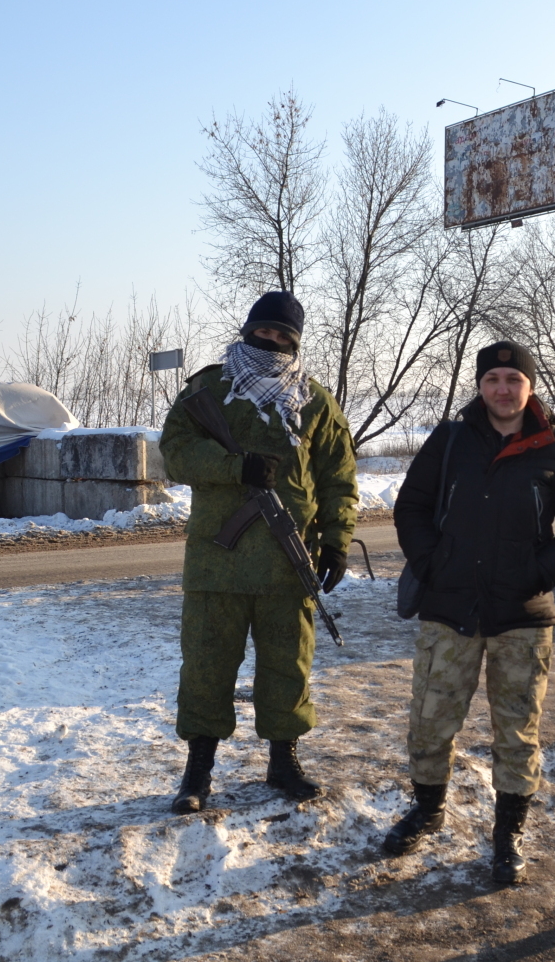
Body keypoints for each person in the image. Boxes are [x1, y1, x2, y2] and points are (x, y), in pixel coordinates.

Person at [382, 340, 555, 883]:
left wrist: (538, 573)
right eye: (493, 379)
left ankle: (509, 834)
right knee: (430, 722)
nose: (503, 389)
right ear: (480, 387)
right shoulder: (451, 440)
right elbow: (410, 505)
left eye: (513, 379)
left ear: (530, 387)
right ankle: (428, 810)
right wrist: (433, 565)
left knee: (517, 731)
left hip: (522, 618)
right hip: (448, 609)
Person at [158, 290, 357, 813]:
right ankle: (197, 772)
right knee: (205, 667)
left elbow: (338, 478)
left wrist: (336, 541)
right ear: (248, 330)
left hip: (289, 565)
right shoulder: (209, 389)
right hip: (216, 563)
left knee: (287, 666)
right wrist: (234, 467)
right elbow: (175, 453)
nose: (270, 340)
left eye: (282, 335)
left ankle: (283, 762)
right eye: (263, 331)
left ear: (295, 342)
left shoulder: (314, 399)